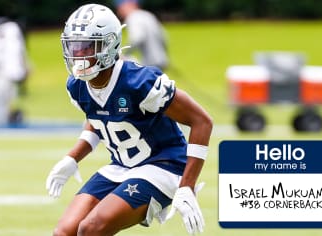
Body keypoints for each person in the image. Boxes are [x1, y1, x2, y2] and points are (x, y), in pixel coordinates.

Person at [46, 3, 212, 236]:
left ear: (109, 44)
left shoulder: (139, 81)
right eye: (74, 47)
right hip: (121, 166)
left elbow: (202, 121)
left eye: (86, 47)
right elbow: (98, 118)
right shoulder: (77, 86)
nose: (78, 55)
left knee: (90, 229)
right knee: (65, 232)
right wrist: (73, 157)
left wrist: (187, 185)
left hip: (162, 166)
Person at [115, 0, 169, 70]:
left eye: (119, 7)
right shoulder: (147, 15)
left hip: (149, 63)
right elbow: (164, 36)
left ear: (128, 5)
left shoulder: (133, 17)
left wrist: (124, 54)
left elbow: (137, 38)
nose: (118, 11)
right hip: (161, 60)